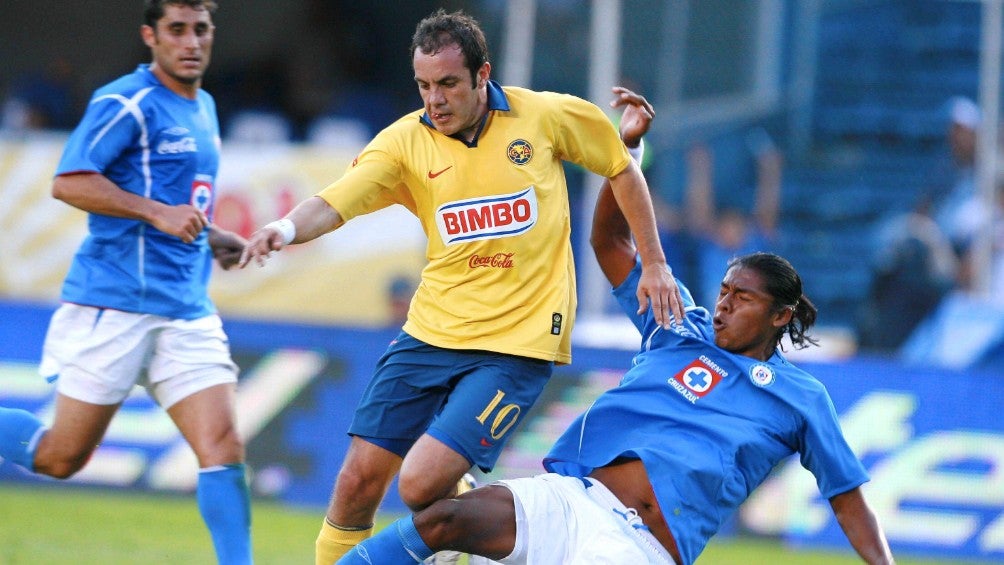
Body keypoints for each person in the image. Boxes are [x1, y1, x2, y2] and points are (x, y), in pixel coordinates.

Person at [333, 88, 895, 565]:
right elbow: (609, 241)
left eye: (741, 298)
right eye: (723, 291)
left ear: (780, 316)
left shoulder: (801, 398)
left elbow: (847, 496)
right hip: (572, 495)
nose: (723, 305)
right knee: (442, 521)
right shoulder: (679, 326)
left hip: (637, 544)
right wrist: (621, 152)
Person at [238, 9, 676, 565]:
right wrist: (284, 228)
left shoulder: (544, 116)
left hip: (516, 347)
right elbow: (334, 202)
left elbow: (620, 166)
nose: (434, 100)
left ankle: (459, 528)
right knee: (356, 483)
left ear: (481, 75)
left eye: (447, 83)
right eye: (423, 85)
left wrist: (655, 263)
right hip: (430, 334)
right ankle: (450, 536)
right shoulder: (403, 143)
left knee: (420, 487)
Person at [0, 2, 252, 564]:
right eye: (177, 30)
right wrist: (156, 212)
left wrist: (211, 237)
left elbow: (182, 200)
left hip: (185, 308)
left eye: (201, 30)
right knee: (61, 459)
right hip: (116, 303)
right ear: (150, 36)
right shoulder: (126, 101)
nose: (191, 42)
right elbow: (68, 181)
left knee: (223, 447)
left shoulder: (204, 106)